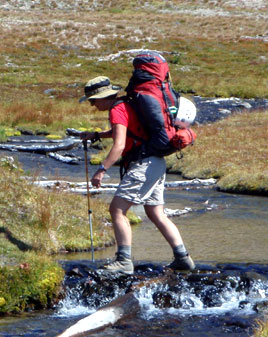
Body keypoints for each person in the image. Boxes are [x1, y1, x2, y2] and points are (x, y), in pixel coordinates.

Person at [78, 76, 195, 274]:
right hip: (156, 162)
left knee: (117, 210)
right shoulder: (128, 104)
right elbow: (128, 131)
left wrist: (102, 169)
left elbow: (120, 144)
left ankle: (123, 261)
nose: (92, 104)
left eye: (93, 100)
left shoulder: (117, 109)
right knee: (156, 213)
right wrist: (97, 135)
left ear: (103, 97)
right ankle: (183, 258)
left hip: (143, 164)